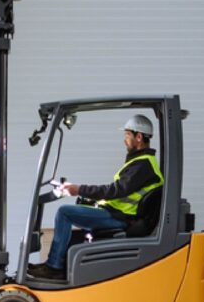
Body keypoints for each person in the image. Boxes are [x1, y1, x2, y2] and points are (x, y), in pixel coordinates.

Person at [29, 114, 164, 281]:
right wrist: (89, 198)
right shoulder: (141, 162)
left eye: (127, 135)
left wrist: (80, 189)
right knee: (74, 211)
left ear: (139, 137)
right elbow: (119, 194)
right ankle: (55, 264)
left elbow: (116, 190)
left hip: (120, 218)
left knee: (64, 213)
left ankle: (54, 267)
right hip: (117, 213)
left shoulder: (144, 164)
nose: (124, 140)